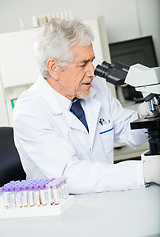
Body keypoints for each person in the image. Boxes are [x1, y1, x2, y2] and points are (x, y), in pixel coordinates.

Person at [13, 18, 160, 194]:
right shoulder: (29, 111)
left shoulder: (95, 88)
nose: (92, 72)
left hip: (106, 197)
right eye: (83, 64)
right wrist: (145, 171)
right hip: (62, 208)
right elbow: (70, 176)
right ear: (54, 68)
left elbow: (126, 131)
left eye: (92, 61)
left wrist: (148, 115)